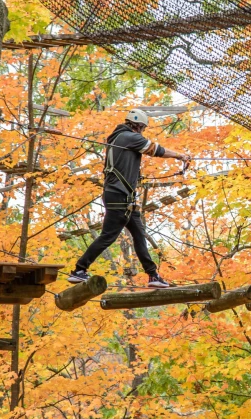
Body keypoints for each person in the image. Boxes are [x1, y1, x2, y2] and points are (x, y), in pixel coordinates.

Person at [68, 109, 191, 287]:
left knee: (139, 234)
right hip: (119, 195)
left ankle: (153, 275)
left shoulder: (118, 139)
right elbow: (155, 149)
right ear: (139, 126)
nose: (142, 132)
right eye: (142, 128)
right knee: (108, 235)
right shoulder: (128, 137)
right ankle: (79, 270)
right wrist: (180, 155)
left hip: (123, 197)